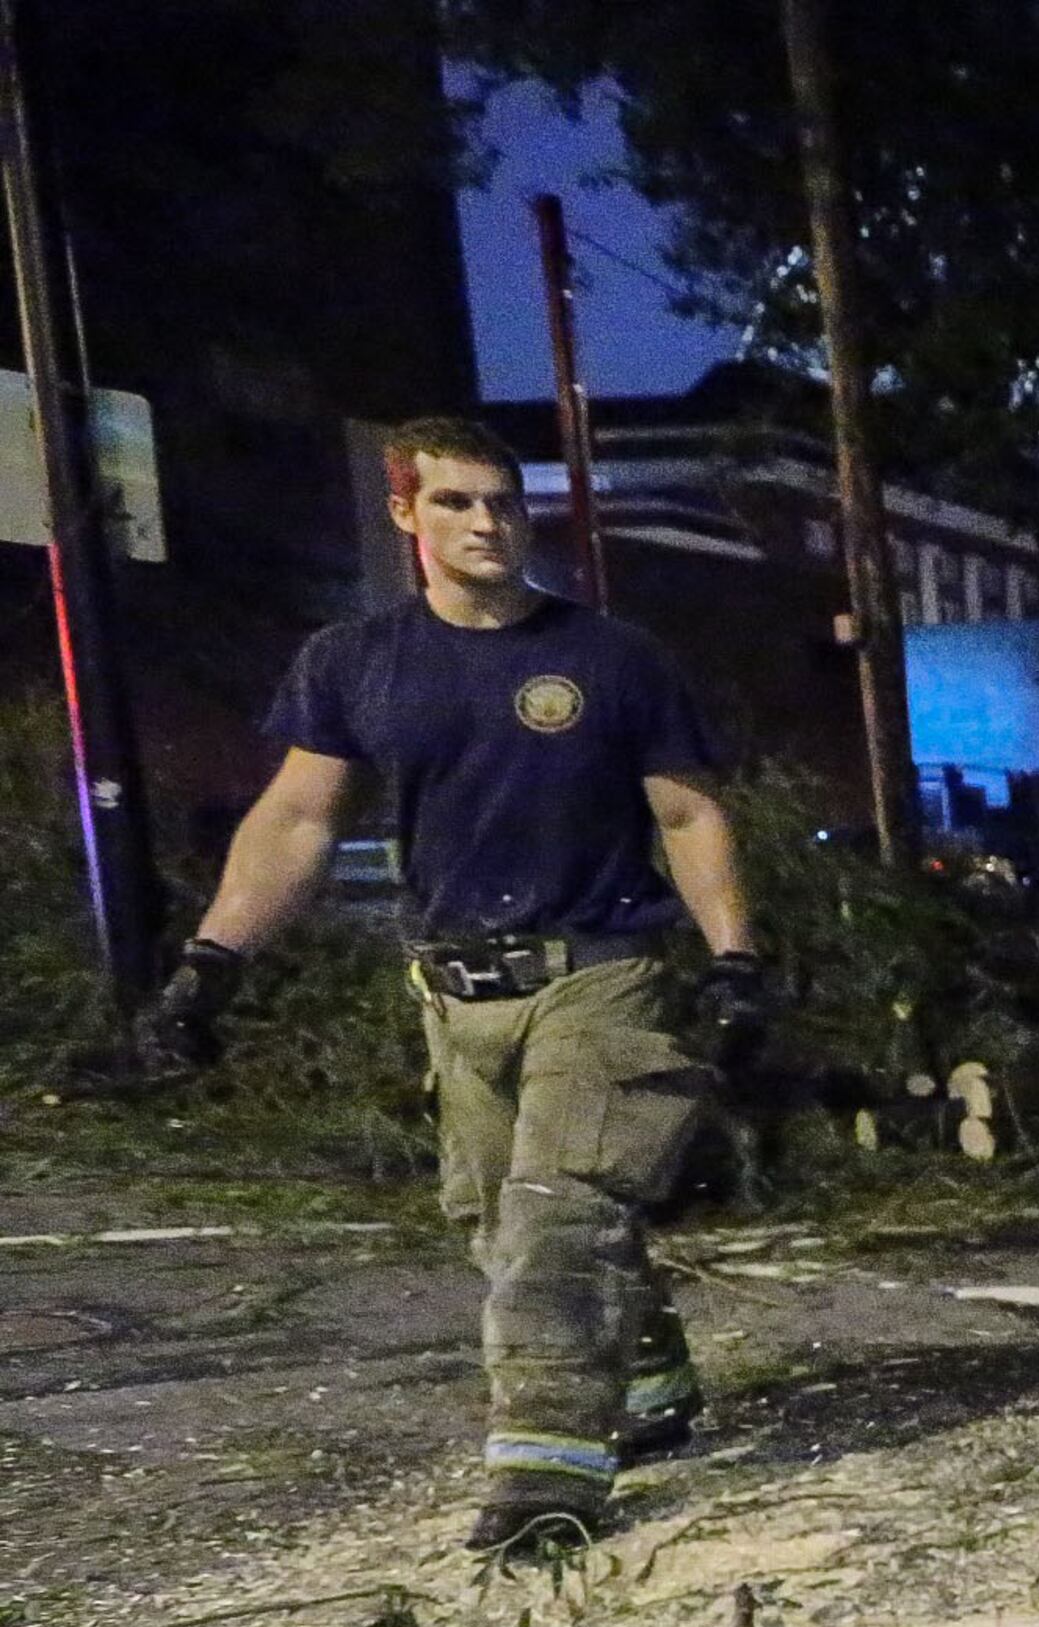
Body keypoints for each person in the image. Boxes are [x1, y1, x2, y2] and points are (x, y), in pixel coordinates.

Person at [144, 417, 769, 1554]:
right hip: (453, 991)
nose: (486, 523)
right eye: (455, 503)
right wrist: (209, 965)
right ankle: (651, 1382)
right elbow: (297, 820)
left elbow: (687, 812)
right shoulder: (355, 663)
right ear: (405, 515)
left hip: (599, 976)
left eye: (502, 502)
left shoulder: (612, 659)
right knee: (495, 1222)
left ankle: (546, 1476)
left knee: (557, 1218)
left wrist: (736, 960)